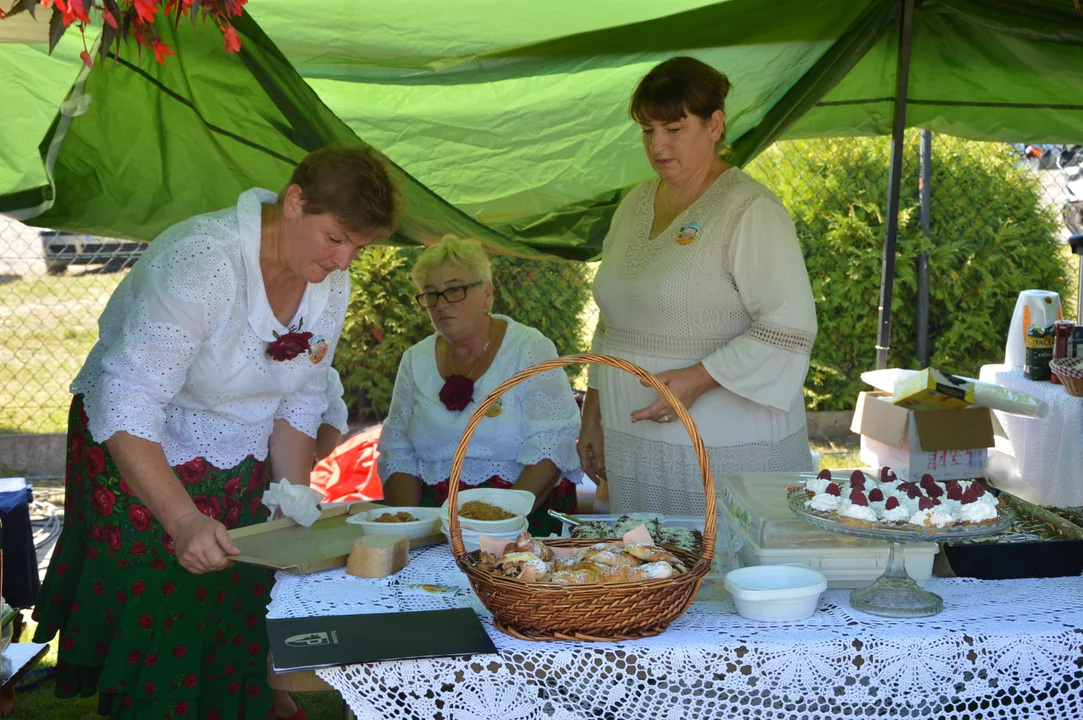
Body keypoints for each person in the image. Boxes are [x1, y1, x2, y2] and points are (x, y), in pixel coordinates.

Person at [33, 146, 397, 720]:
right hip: (139, 442)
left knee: (237, 592)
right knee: (166, 602)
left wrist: (291, 498)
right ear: (296, 201)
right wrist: (181, 520)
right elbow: (128, 401)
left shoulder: (326, 279)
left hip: (238, 446)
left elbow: (300, 393)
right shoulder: (203, 260)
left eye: (361, 247)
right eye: (337, 238)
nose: (346, 260)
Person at [577, 57, 818, 515]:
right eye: (648, 131)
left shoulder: (750, 210)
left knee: (728, 568)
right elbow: (611, 322)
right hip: (637, 447)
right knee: (654, 569)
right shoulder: (633, 205)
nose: (658, 145)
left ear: (715, 125)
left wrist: (699, 379)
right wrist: (594, 415)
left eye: (673, 128)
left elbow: (790, 327)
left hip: (725, 446)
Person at [378, 235, 582, 535]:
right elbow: (397, 451)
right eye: (430, 294)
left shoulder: (528, 349)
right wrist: (410, 530)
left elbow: (553, 443)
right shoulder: (414, 359)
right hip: (437, 522)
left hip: (523, 518)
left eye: (455, 290)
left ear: (487, 294)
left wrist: (498, 524)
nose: (441, 304)